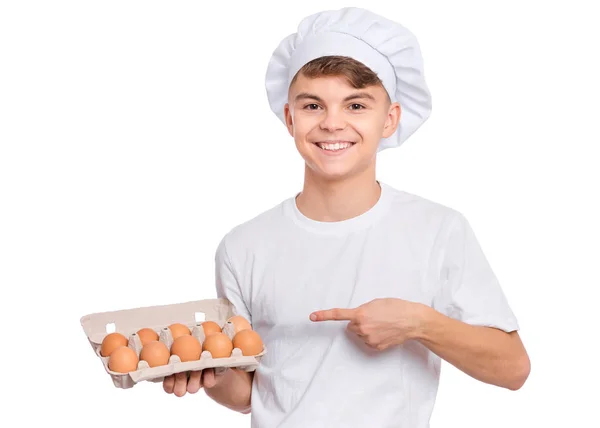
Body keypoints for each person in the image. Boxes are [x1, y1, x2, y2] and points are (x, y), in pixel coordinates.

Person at [163, 6, 530, 427]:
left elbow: (513, 368)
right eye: (313, 105)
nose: (332, 123)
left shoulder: (437, 230)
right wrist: (211, 373)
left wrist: (419, 323)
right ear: (290, 118)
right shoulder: (243, 246)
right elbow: (251, 393)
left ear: (389, 119)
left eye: (356, 105)